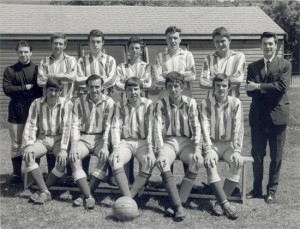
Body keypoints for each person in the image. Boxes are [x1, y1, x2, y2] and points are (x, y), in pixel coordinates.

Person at [245, 32, 291, 204]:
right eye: (265, 44)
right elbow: (248, 91)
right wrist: (261, 87)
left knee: (276, 157)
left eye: (271, 44)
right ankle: (256, 189)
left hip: (278, 117)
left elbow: (282, 86)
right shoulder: (253, 66)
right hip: (258, 118)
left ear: (276, 46)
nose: (268, 47)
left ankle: (271, 191)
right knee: (257, 155)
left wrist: (258, 86)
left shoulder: (284, 64)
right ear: (261, 45)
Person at [154, 72, 202, 222]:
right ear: (166, 88)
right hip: (169, 142)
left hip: (186, 142)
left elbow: (197, 127)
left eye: (176, 86)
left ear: (182, 87)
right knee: (163, 162)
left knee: (196, 161)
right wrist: (160, 151)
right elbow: (156, 128)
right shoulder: (160, 103)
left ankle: (176, 203)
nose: (173, 90)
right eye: (170, 86)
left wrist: (198, 149)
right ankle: (179, 207)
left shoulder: (191, 102)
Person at [199, 73, 243, 220]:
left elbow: (238, 127)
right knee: (210, 162)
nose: (221, 88)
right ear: (213, 87)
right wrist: (208, 148)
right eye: (218, 85)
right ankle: (226, 204)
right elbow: (204, 128)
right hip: (213, 143)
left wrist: (237, 150)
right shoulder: (206, 103)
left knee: (237, 162)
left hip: (229, 144)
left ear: (229, 87)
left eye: (224, 85)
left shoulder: (236, 102)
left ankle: (219, 203)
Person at [22, 78, 73, 204]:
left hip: (59, 140)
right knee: (28, 155)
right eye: (51, 90)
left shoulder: (67, 104)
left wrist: (63, 149)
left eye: (57, 91)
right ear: (45, 90)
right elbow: (31, 124)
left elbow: (67, 128)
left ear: (60, 91)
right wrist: (29, 144)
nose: (54, 94)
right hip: (43, 139)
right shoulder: (36, 103)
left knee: (62, 160)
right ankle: (45, 191)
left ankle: (43, 190)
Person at [69, 74, 115, 210]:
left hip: (100, 138)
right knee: (74, 157)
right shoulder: (79, 101)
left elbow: (108, 127)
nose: (94, 90)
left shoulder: (109, 102)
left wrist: (106, 146)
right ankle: (88, 195)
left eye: (97, 87)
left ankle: (84, 195)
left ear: (102, 87)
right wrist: (74, 145)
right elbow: (75, 125)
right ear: (87, 87)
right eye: (91, 87)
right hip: (83, 137)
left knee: (103, 157)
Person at [3, 40, 43, 184]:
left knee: (33, 143)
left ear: (31, 53)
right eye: (20, 52)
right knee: (16, 143)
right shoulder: (10, 70)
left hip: (33, 110)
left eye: (26, 52)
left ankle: (33, 173)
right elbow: (7, 90)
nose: (23, 54)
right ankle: (16, 175)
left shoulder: (38, 70)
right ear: (17, 53)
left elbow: (39, 91)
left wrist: (19, 89)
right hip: (15, 110)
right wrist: (25, 87)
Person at [109, 77, 155, 199]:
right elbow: (115, 128)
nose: (133, 92)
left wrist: (151, 150)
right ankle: (127, 196)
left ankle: (129, 196)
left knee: (148, 162)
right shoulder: (119, 105)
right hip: (126, 142)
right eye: (129, 89)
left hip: (143, 142)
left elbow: (151, 128)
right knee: (115, 161)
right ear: (125, 91)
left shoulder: (148, 104)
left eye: (136, 89)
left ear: (141, 90)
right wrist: (116, 148)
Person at [200, 27, 246, 98]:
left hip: (232, 101)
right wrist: (229, 80)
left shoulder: (239, 57)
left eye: (223, 41)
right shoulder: (208, 59)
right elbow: (202, 82)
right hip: (212, 102)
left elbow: (238, 79)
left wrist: (213, 79)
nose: (220, 44)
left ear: (229, 40)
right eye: (217, 42)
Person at [154, 26, 196, 98]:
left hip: (184, 95)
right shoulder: (159, 57)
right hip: (165, 96)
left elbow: (192, 76)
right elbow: (157, 80)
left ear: (180, 40)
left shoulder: (188, 55)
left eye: (175, 38)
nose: (172, 41)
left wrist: (167, 75)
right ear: (166, 40)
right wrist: (183, 75)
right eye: (170, 38)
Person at [75, 29, 116, 98]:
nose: (95, 44)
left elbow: (111, 80)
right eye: (93, 42)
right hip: (86, 99)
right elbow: (78, 80)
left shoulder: (110, 60)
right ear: (88, 42)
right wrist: (101, 78)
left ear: (102, 42)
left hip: (105, 98)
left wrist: (89, 81)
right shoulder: (81, 60)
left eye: (98, 42)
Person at [37, 32, 77, 100]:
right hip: (48, 103)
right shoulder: (44, 61)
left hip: (66, 102)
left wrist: (52, 76)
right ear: (51, 44)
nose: (57, 46)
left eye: (60, 44)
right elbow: (40, 82)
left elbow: (72, 78)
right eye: (55, 43)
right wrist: (64, 78)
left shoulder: (71, 60)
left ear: (65, 45)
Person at [115, 36, 153, 102]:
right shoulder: (120, 67)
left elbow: (148, 84)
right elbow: (118, 85)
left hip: (143, 102)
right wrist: (140, 81)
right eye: (132, 48)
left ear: (141, 50)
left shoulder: (147, 66)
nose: (134, 50)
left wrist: (126, 81)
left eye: (137, 48)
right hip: (125, 102)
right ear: (128, 50)